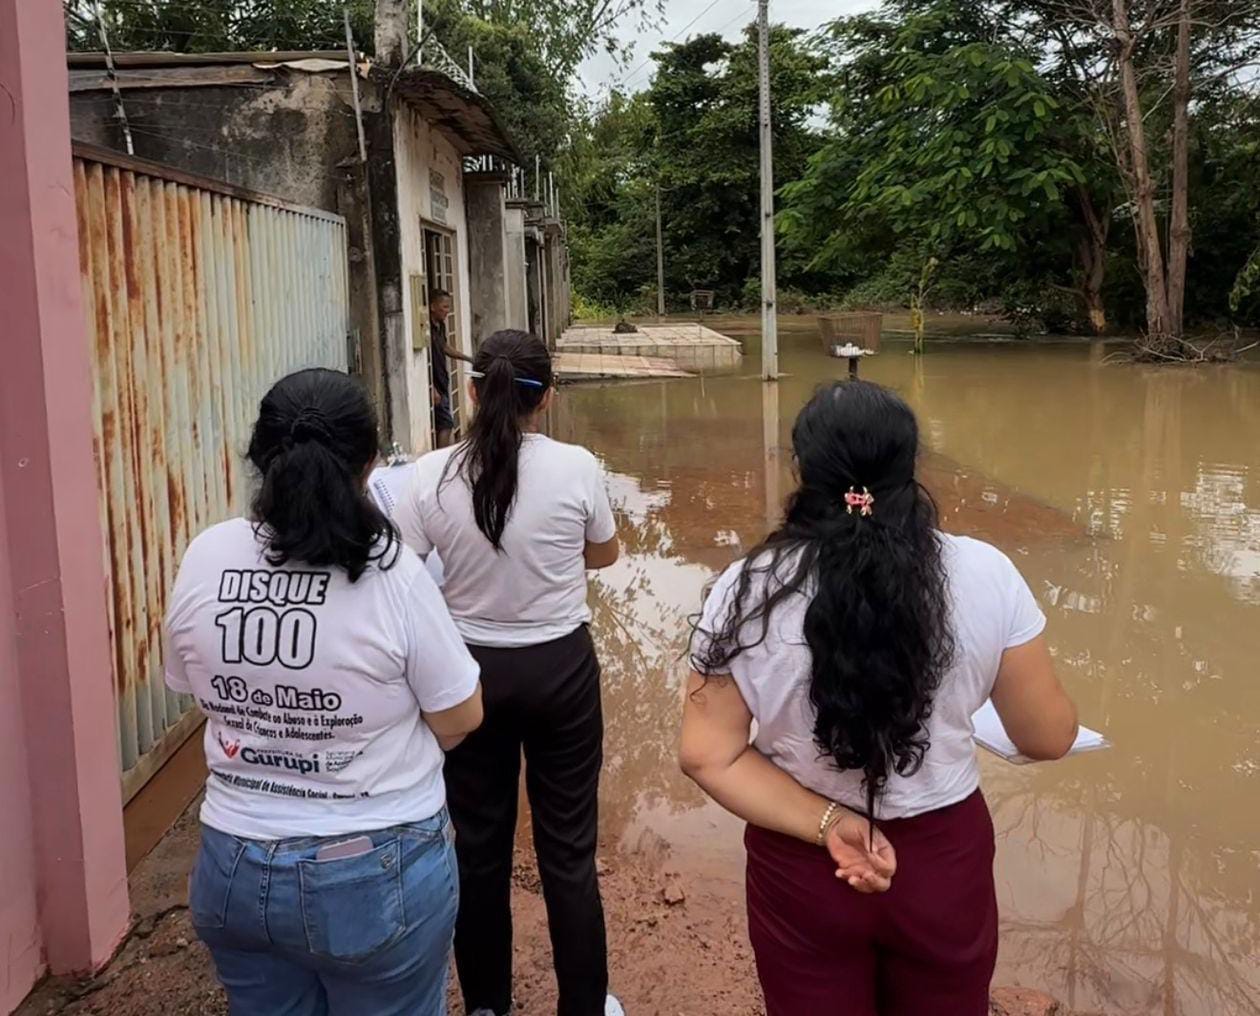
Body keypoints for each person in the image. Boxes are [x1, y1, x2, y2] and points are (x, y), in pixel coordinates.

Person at [680, 380, 1079, 1016]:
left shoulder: (745, 586)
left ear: (802, 470)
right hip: (943, 861)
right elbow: (1048, 736)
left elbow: (707, 755)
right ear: (911, 468)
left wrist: (829, 823)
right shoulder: (986, 573)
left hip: (805, 860)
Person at [164, 367, 484, 1016]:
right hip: (374, 873)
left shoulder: (207, 554)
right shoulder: (391, 571)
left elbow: (191, 684)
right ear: (369, 463)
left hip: (232, 868)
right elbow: (460, 715)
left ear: (259, 456)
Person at [394, 330, 623, 1016]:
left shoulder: (430, 475)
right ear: (546, 399)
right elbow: (606, 555)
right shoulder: (579, 467)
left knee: (480, 847)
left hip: (467, 677)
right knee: (569, 853)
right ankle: (583, 1007)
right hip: (561, 671)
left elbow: (399, 570)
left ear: (471, 391)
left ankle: (487, 1006)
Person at [430, 288, 473, 449]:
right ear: (433, 307)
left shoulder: (440, 326)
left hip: (442, 379)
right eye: (445, 307)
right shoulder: (427, 328)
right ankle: (440, 458)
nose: (447, 311)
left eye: (449, 307)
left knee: (444, 423)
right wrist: (431, 386)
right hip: (435, 384)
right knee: (446, 423)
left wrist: (467, 358)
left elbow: (445, 348)